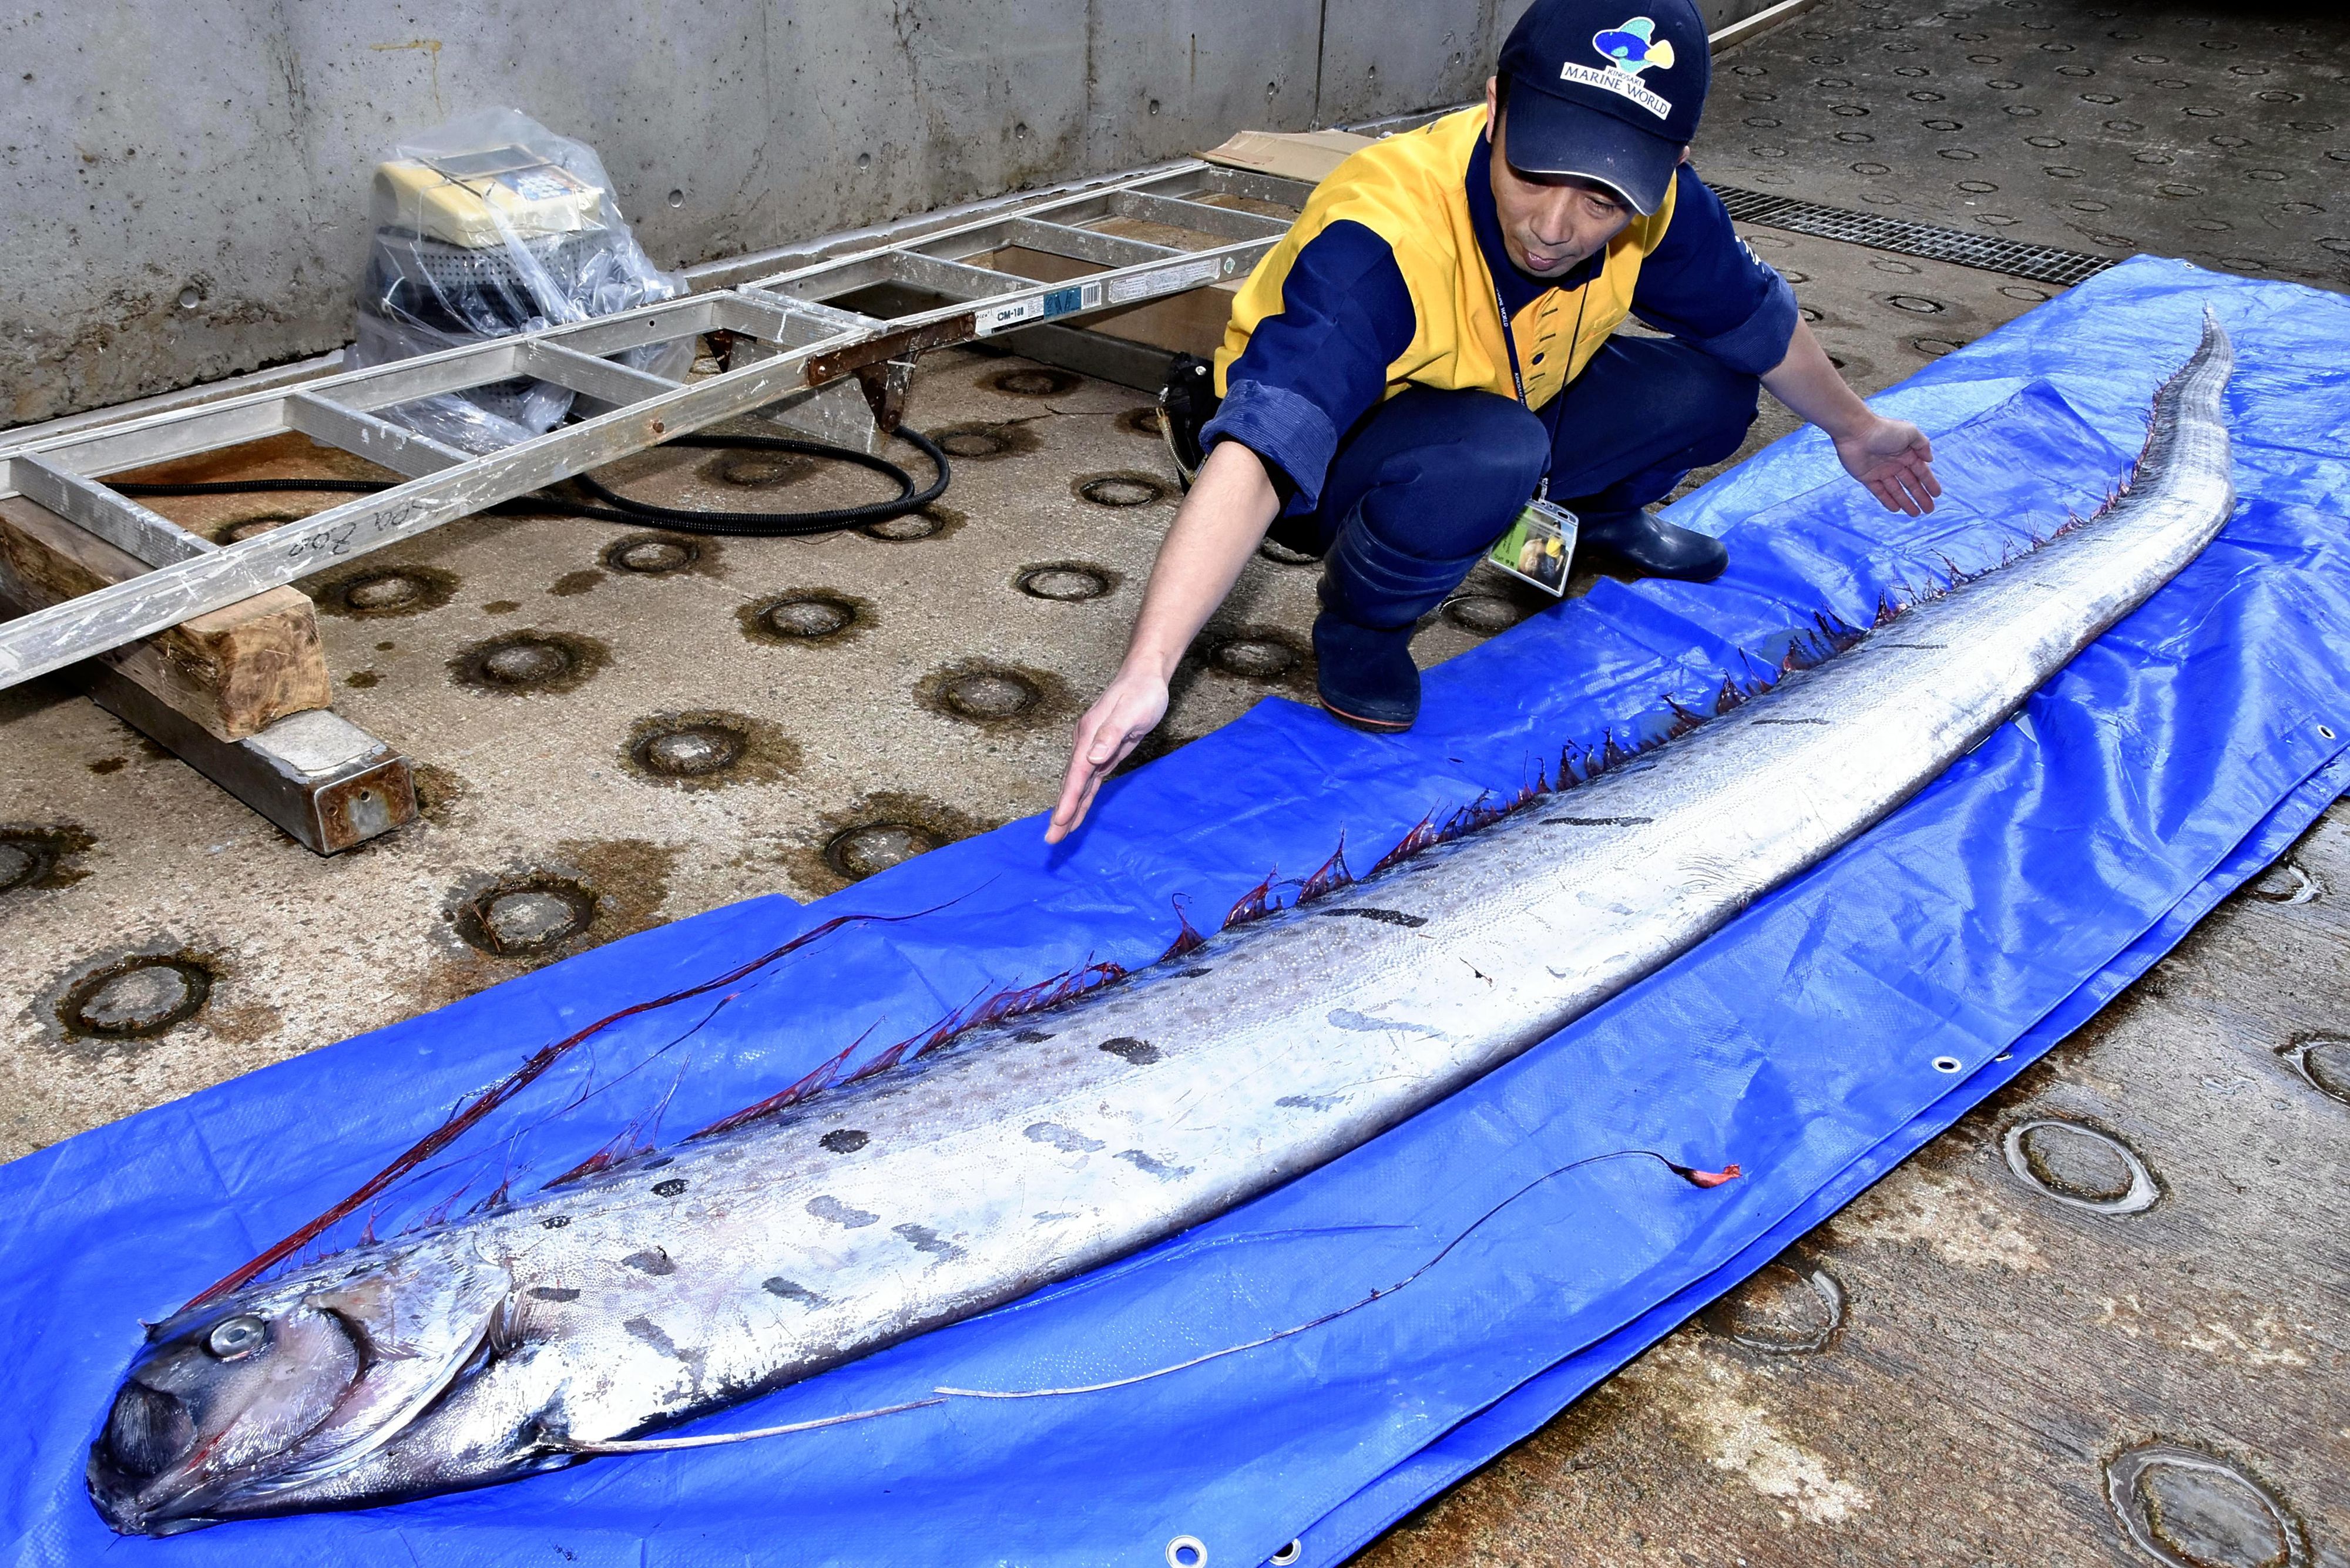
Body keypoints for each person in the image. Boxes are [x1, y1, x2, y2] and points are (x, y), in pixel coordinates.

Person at [1044, 0, 1940, 845]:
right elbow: (1262, 451)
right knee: (1491, 452)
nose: (1554, 227)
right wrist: (1150, 666)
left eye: (1601, 200)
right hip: (1349, 456)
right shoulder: (1382, 236)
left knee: (1716, 389)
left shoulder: (1661, 204)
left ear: (1669, 165)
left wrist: (1856, 429)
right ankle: (1363, 625)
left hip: (1521, 397)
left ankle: (1596, 516)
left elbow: (1758, 323)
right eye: (1535, 172)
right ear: (1496, 103)